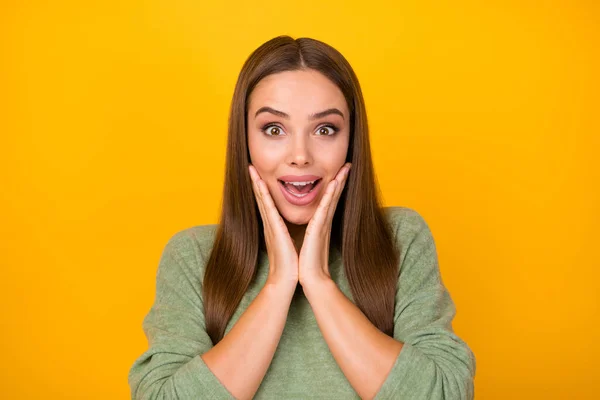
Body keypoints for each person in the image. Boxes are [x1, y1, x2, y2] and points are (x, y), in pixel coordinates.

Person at [128, 35, 476, 400]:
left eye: (325, 129)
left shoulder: (400, 238)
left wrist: (319, 282)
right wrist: (278, 285)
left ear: (351, 141)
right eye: (274, 129)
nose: (300, 155)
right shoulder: (193, 257)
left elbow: (445, 394)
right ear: (244, 139)